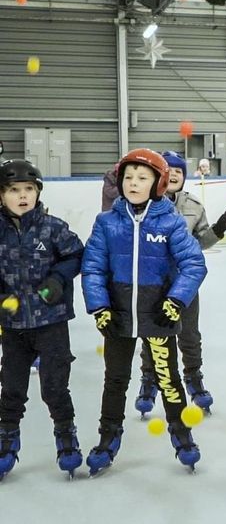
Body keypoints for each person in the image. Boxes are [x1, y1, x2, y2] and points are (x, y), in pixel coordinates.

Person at [81, 148, 207, 475]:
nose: (133, 183)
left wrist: (176, 301)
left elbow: (193, 264)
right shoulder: (107, 222)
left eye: (142, 178)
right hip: (118, 317)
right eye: (128, 178)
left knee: (168, 380)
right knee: (115, 380)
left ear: (158, 183)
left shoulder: (171, 222)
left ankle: (182, 435)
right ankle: (108, 438)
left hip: (158, 315)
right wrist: (100, 307)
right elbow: (93, 268)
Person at [133, 151, 226, 418]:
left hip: (185, 281)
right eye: (170, 170)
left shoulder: (194, 205)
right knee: (152, 334)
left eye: (179, 171)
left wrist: (218, 229)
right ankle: (149, 379)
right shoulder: (144, 204)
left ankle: (193, 376)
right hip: (153, 281)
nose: (174, 175)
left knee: (189, 334)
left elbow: (201, 242)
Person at [0, 159, 85, 480]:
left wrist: (57, 280)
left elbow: (75, 255)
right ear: (1, 195)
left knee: (54, 386)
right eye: (13, 190)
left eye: (28, 189)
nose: (22, 196)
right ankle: (6, 438)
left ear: (37, 192)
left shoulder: (53, 228)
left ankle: (66, 434)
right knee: (11, 387)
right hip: (13, 326)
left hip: (51, 321)